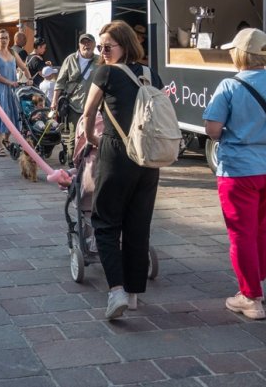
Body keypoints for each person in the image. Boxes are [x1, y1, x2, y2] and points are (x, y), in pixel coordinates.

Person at [202, 28, 266, 321]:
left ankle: (250, 297)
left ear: (239, 54)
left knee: (241, 232)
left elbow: (212, 129)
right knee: (261, 226)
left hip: (239, 169)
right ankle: (257, 283)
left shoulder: (229, 86)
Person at [82, 20, 164, 320]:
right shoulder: (150, 73)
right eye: (100, 46)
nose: (102, 52)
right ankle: (132, 294)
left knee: (105, 223)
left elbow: (89, 111)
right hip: (148, 156)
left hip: (116, 151)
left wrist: (91, 139)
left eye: (108, 46)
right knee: (138, 225)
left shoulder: (105, 72)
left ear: (124, 45)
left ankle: (116, 290)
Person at [51, 33, 99, 161]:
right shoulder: (70, 59)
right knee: (73, 136)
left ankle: (89, 162)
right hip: (74, 105)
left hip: (94, 106)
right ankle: (72, 162)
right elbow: (60, 82)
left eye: (89, 42)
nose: (86, 45)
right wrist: (54, 101)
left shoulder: (100, 60)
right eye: (83, 42)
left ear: (94, 44)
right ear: (79, 45)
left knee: (93, 134)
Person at [0, 28, 30, 157]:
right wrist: (9, 82)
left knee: (13, 113)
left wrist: (29, 78)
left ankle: (6, 139)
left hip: (12, 88)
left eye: (6, 37)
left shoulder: (12, 52)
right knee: (2, 114)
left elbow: (24, 67)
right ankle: (0, 146)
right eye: (2, 38)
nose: (4, 40)